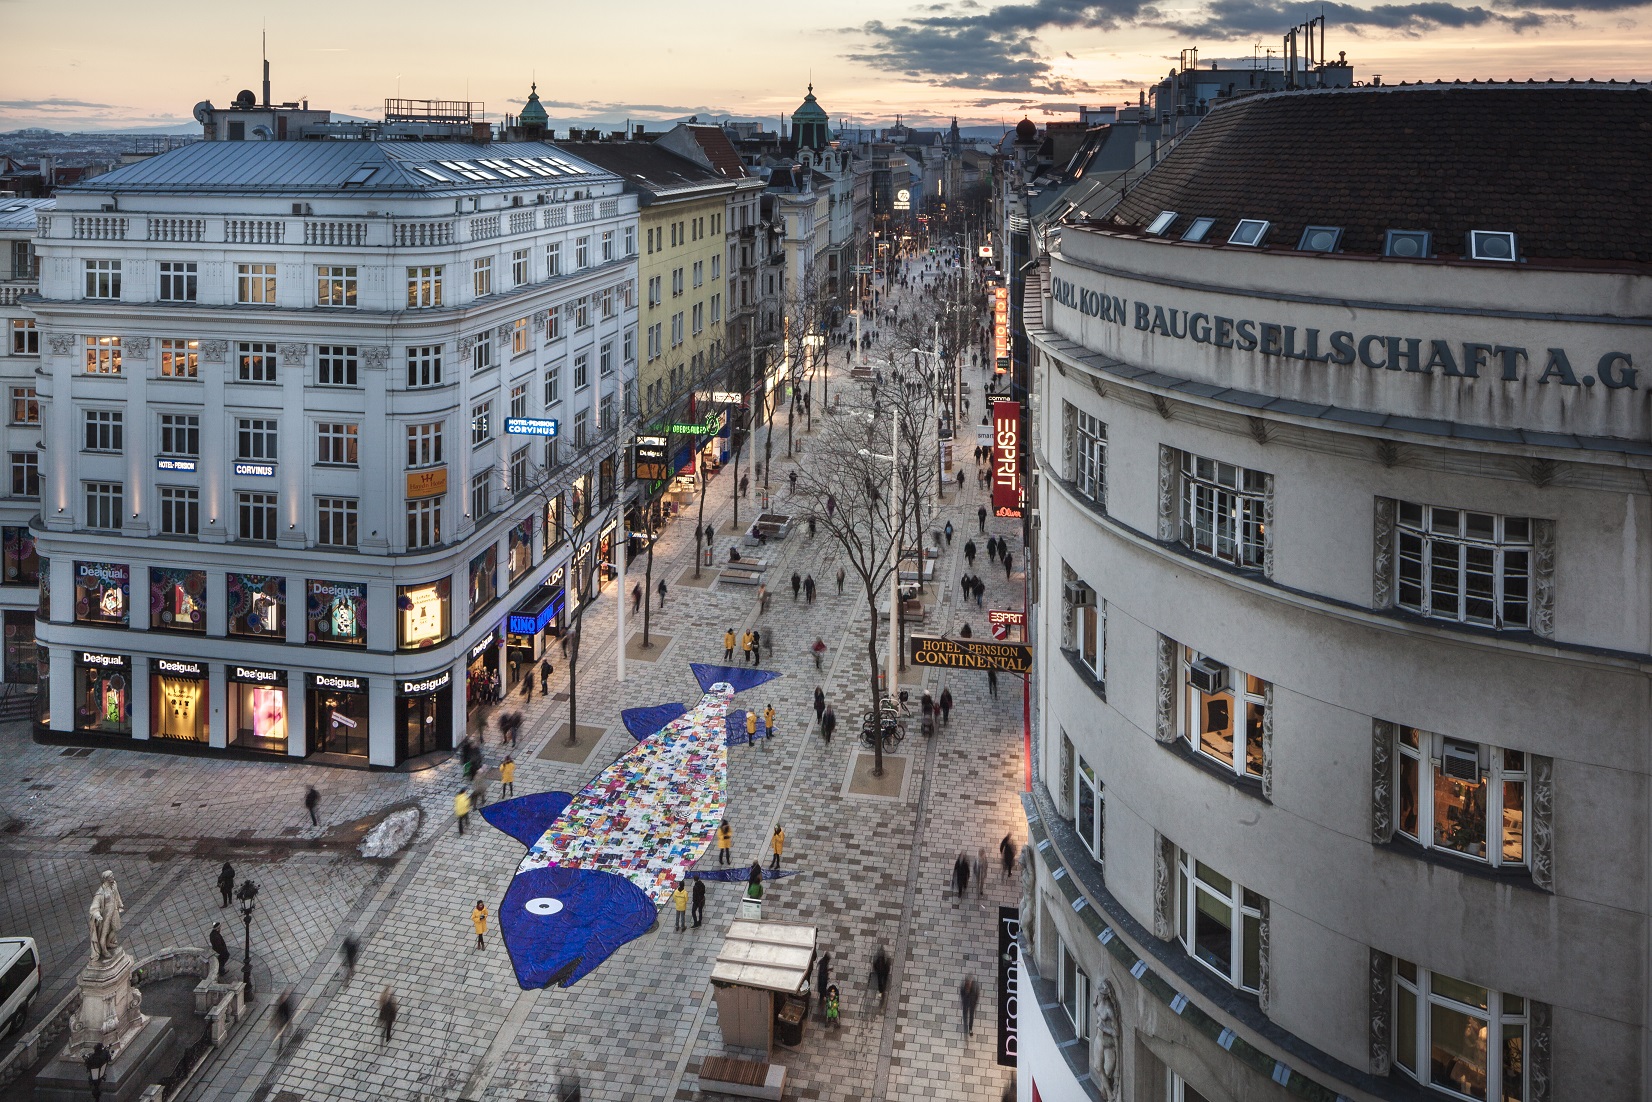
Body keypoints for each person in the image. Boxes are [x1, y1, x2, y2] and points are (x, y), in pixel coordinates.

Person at [816, 952, 832, 1019]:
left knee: (822, 994)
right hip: (822, 982)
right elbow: (823, 974)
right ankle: (823, 1004)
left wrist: (828, 970)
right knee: (824, 993)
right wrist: (826, 976)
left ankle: (821, 1001)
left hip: (822, 982)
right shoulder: (823, 963)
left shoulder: (823, 962)